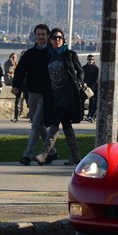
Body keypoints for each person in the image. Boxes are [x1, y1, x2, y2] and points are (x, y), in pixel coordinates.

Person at [33, 28, 84, 166]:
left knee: (55, 124)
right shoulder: (49, 56)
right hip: (54, 97)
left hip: (67, 97)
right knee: (66, 126)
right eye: (55, 38)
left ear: (64, 39)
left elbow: (80, 72)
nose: (58, 40)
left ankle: (44, 154)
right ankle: (76, 156)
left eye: (60, 37)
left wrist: (78, 83)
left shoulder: (70, 55)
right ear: (50, 40)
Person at [12, 24, 58, 166]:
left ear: (48, 36)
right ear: (35, 35)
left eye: (43, 34)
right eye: (38, 34)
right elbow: (20, 70)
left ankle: (28, 154)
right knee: (39, 125)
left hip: (47, 93)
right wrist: (16, 85)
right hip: (32, 92)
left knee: (36, 124)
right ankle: (52, 151)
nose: (41, 37)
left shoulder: (53, 53)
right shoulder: (30, 54)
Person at [4, 53, 22, 122]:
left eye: (15, 57)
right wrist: (11, 64)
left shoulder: (18, 63)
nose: (14, 59)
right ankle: (16, 117)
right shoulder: (7, 63)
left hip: (19, 83)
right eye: (13, 57)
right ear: (10, 58)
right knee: (17, 99)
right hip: (11, 81)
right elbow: (9, 70)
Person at [82, 54, 99, 122]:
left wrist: (94, 86)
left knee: (92, 102)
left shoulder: (96, 68)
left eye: (92, 59)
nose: (90, 61)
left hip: (93, 87)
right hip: (85, 86)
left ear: (94, 60)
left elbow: (97, 78)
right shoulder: (84, 67)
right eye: (89, 59)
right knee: (82, 101)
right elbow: (82, 76)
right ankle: (81, 115)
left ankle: (90, 115)